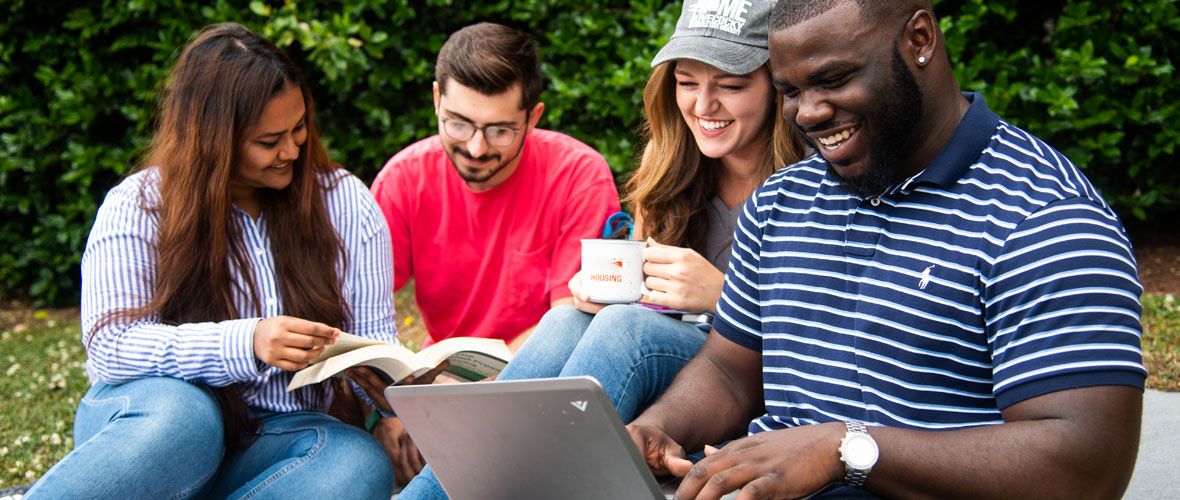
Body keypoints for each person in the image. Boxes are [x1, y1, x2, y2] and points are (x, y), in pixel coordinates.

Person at [627, 1, 1146, 499]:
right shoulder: (781, 201)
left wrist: (845, 449)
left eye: (834, 80)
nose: (808, 114)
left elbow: (1085, 468)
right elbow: (728, 372)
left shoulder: (1041, 217)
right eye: (790, 91)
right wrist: (655, 427)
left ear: (919, 39)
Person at [396, 1, 806, 498]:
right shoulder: (673, 163)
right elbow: (646, 305)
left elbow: (832, 336)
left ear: (775, 84)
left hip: (749, 375)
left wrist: (724, 295)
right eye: (686, 81)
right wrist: (606, 290)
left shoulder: (811, 179)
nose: (703, 106)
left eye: (732, 85)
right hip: (672, 376)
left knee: (625, 328)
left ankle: (512, 487)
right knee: (567, 319)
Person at [24, 23, 418, 499]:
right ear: (212, 138)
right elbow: (110, 345)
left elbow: (372, 342)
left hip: (281, 436)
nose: (291, 150)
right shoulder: (140, 205)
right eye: (269, 140)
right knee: (188, 422)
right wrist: (247, 340)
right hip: (159, 427)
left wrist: (395, 398)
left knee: (354, 464)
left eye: (299, 128)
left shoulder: (344, 203)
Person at [369, 22, 620, 353]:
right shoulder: (402, 180)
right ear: (436, 99)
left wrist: (484, 380)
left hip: (547, 371)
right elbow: (364, 307)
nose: (475, 149)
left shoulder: (580, 177)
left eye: (500, 131)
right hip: (443, 375)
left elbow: (573, 321)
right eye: (457, 124)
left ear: (533, 117)